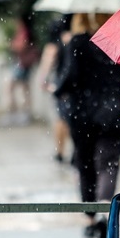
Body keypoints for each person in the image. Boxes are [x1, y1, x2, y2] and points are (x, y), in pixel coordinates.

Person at [54, 12, 120, 238]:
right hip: (113, 112)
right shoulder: (117, 42)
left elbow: (70, 77)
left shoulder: (78, 42)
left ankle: (90, 218)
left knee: (85, 163)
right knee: (108, 163)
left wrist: (57, 89)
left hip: (83, 113)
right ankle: (103, 212)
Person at [37, 14, 73, 164]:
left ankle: (60, 151)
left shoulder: (56, 36)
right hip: (75, 82)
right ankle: (74, 152)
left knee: (61, 118)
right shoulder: (74, 34)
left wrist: (43, 80)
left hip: (61, 83)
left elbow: (49, 57)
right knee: (72, 118)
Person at [6, 16, 39, 125]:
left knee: (14, 88)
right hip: (23, 63)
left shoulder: (23, 32)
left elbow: (21, 46)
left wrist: (12, 45)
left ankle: (19, 114)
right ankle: (23, 113)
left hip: (22, 64)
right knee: (24, 88)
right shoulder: (23, 32)